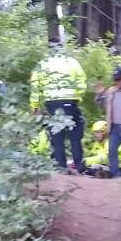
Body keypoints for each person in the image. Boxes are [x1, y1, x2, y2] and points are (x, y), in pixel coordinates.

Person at [30, 40, 87, 172]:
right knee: (75, 134)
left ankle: (61, 166)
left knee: (57, 135)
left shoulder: (43, 64)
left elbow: (35, 86)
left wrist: (35, 106)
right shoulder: (72, 62)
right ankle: (79, 165)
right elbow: (81, 81)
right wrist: (78, 97)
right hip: (71, 101)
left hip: (52, 103)